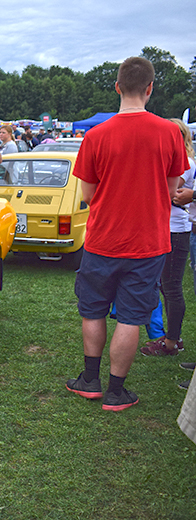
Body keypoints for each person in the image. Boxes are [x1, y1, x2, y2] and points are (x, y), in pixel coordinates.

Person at [65, 56, 188, 412]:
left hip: (103, 239)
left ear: (117, 87)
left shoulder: (96, 135)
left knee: (93, 311)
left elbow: (87, 195)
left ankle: (90, 380)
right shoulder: (169, 132)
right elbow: (171, 188)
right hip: (148, 242)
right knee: (132, 317)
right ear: (150, 89)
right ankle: (117, 392)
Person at [142, 120, 196, 360]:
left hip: (176, 229)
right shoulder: (175, 161)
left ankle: (172, 341)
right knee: (166, 285)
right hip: (166, 227)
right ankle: (171, 337)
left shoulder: (185, 163)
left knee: (172, 286)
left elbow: (167, 192)